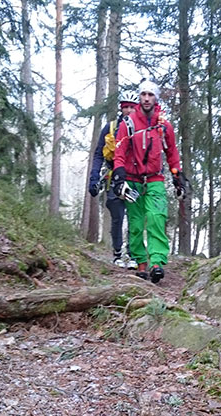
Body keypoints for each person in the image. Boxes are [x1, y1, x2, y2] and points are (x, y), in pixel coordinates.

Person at [111, 80, 187, 283]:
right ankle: (141, 263)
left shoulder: (163, 126)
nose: (146, 98)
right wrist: (118, 175)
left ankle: (156, 263)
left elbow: (172, 152)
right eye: (143, 94)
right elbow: (119, 151)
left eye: (150, 95)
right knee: (135, 224)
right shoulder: (128, 123)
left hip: (155, 179)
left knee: (156, 218)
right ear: (139, 97)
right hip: (132, 180)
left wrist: (177, 174)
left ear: (156, 98)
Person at [87, 91, 140, 269]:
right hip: (114, 178)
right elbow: (98, 154)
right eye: (126, 106)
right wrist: (94, 178)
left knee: (135, 217)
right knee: (117, 217)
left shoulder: (143, 129)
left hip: (135, 178)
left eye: (132, 107)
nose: (129, 110)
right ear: (121, 108)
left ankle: (133, 254)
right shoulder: (109, 128)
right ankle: (117, 253)